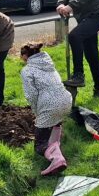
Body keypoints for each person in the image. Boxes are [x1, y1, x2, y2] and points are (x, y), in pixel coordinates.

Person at [19, 42, 73, 176]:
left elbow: (31, 95)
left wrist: (37, 112)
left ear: (26, 56)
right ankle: (55, 146)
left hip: (50, 105)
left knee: (39, 145)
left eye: (21, 56)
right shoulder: (49, 64)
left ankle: (57, 159)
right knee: (55, 121)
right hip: (66, 100)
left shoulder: (27, 71)